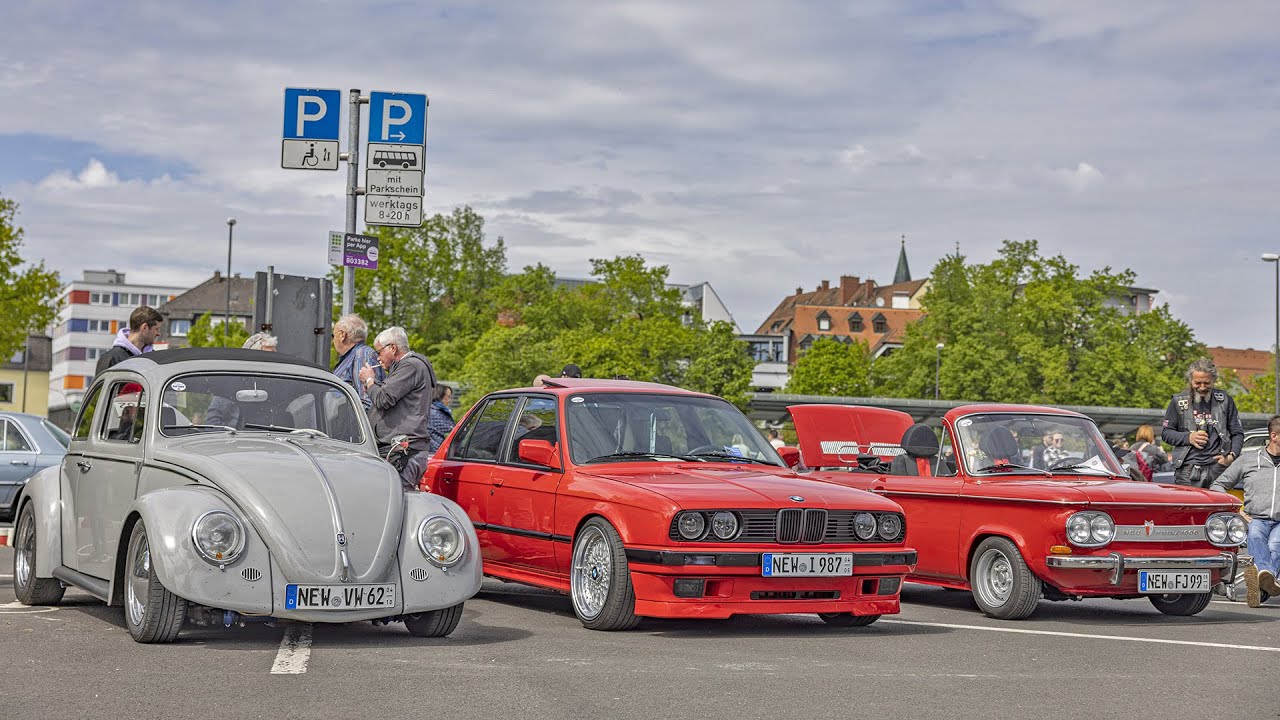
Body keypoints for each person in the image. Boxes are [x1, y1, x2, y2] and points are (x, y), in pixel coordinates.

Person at [1210, 415, 1280, 607]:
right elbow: (1218, 485)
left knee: (1275, 543)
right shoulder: (1249, 460)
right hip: (1255, 518)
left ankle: (1263, 582)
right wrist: (1236, 512)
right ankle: (1268, 582)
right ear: (1274, 436)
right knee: (1256, 534)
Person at [358, 326, 436, 490]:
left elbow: (383, 399)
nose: (378, 358)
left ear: (393, 348)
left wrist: (370, 381)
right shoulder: (407, 368)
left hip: (404, 454)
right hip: (399, 451)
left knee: (396, 503)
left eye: (379, 352)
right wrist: (374, 387)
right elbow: (389, 396)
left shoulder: (410, 366)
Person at [1162, 358, 1244, 488]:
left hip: (1218, 468)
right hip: (1187, 471)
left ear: (1213, 380)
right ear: (1190, 380)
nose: (1202, 387)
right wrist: (1188, 437)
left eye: (1206, 383)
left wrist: (1231, 456)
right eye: (1198, 383)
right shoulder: (1178, 401)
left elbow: (1237, 433)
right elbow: (1166, 433)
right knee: (1190, 507)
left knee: (1219, 507)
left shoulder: (1225, 401)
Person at [332, 314, 383, 410]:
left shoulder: (362, 355)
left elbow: (367, 404)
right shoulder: (352, 357)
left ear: (343, 335)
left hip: (349, 424)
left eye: (333, 335)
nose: (333, 340)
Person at [95, 306, 164, 375]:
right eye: (156, 329)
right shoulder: (111, 359)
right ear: (144, 328)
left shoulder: (154, 359)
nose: (158, 334)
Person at [426, 384, 455, 453]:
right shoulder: (433, 412)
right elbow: (451, 429)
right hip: (436, 451)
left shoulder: (437, 410)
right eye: (448, 397)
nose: (450, 400)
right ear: (440, 395)